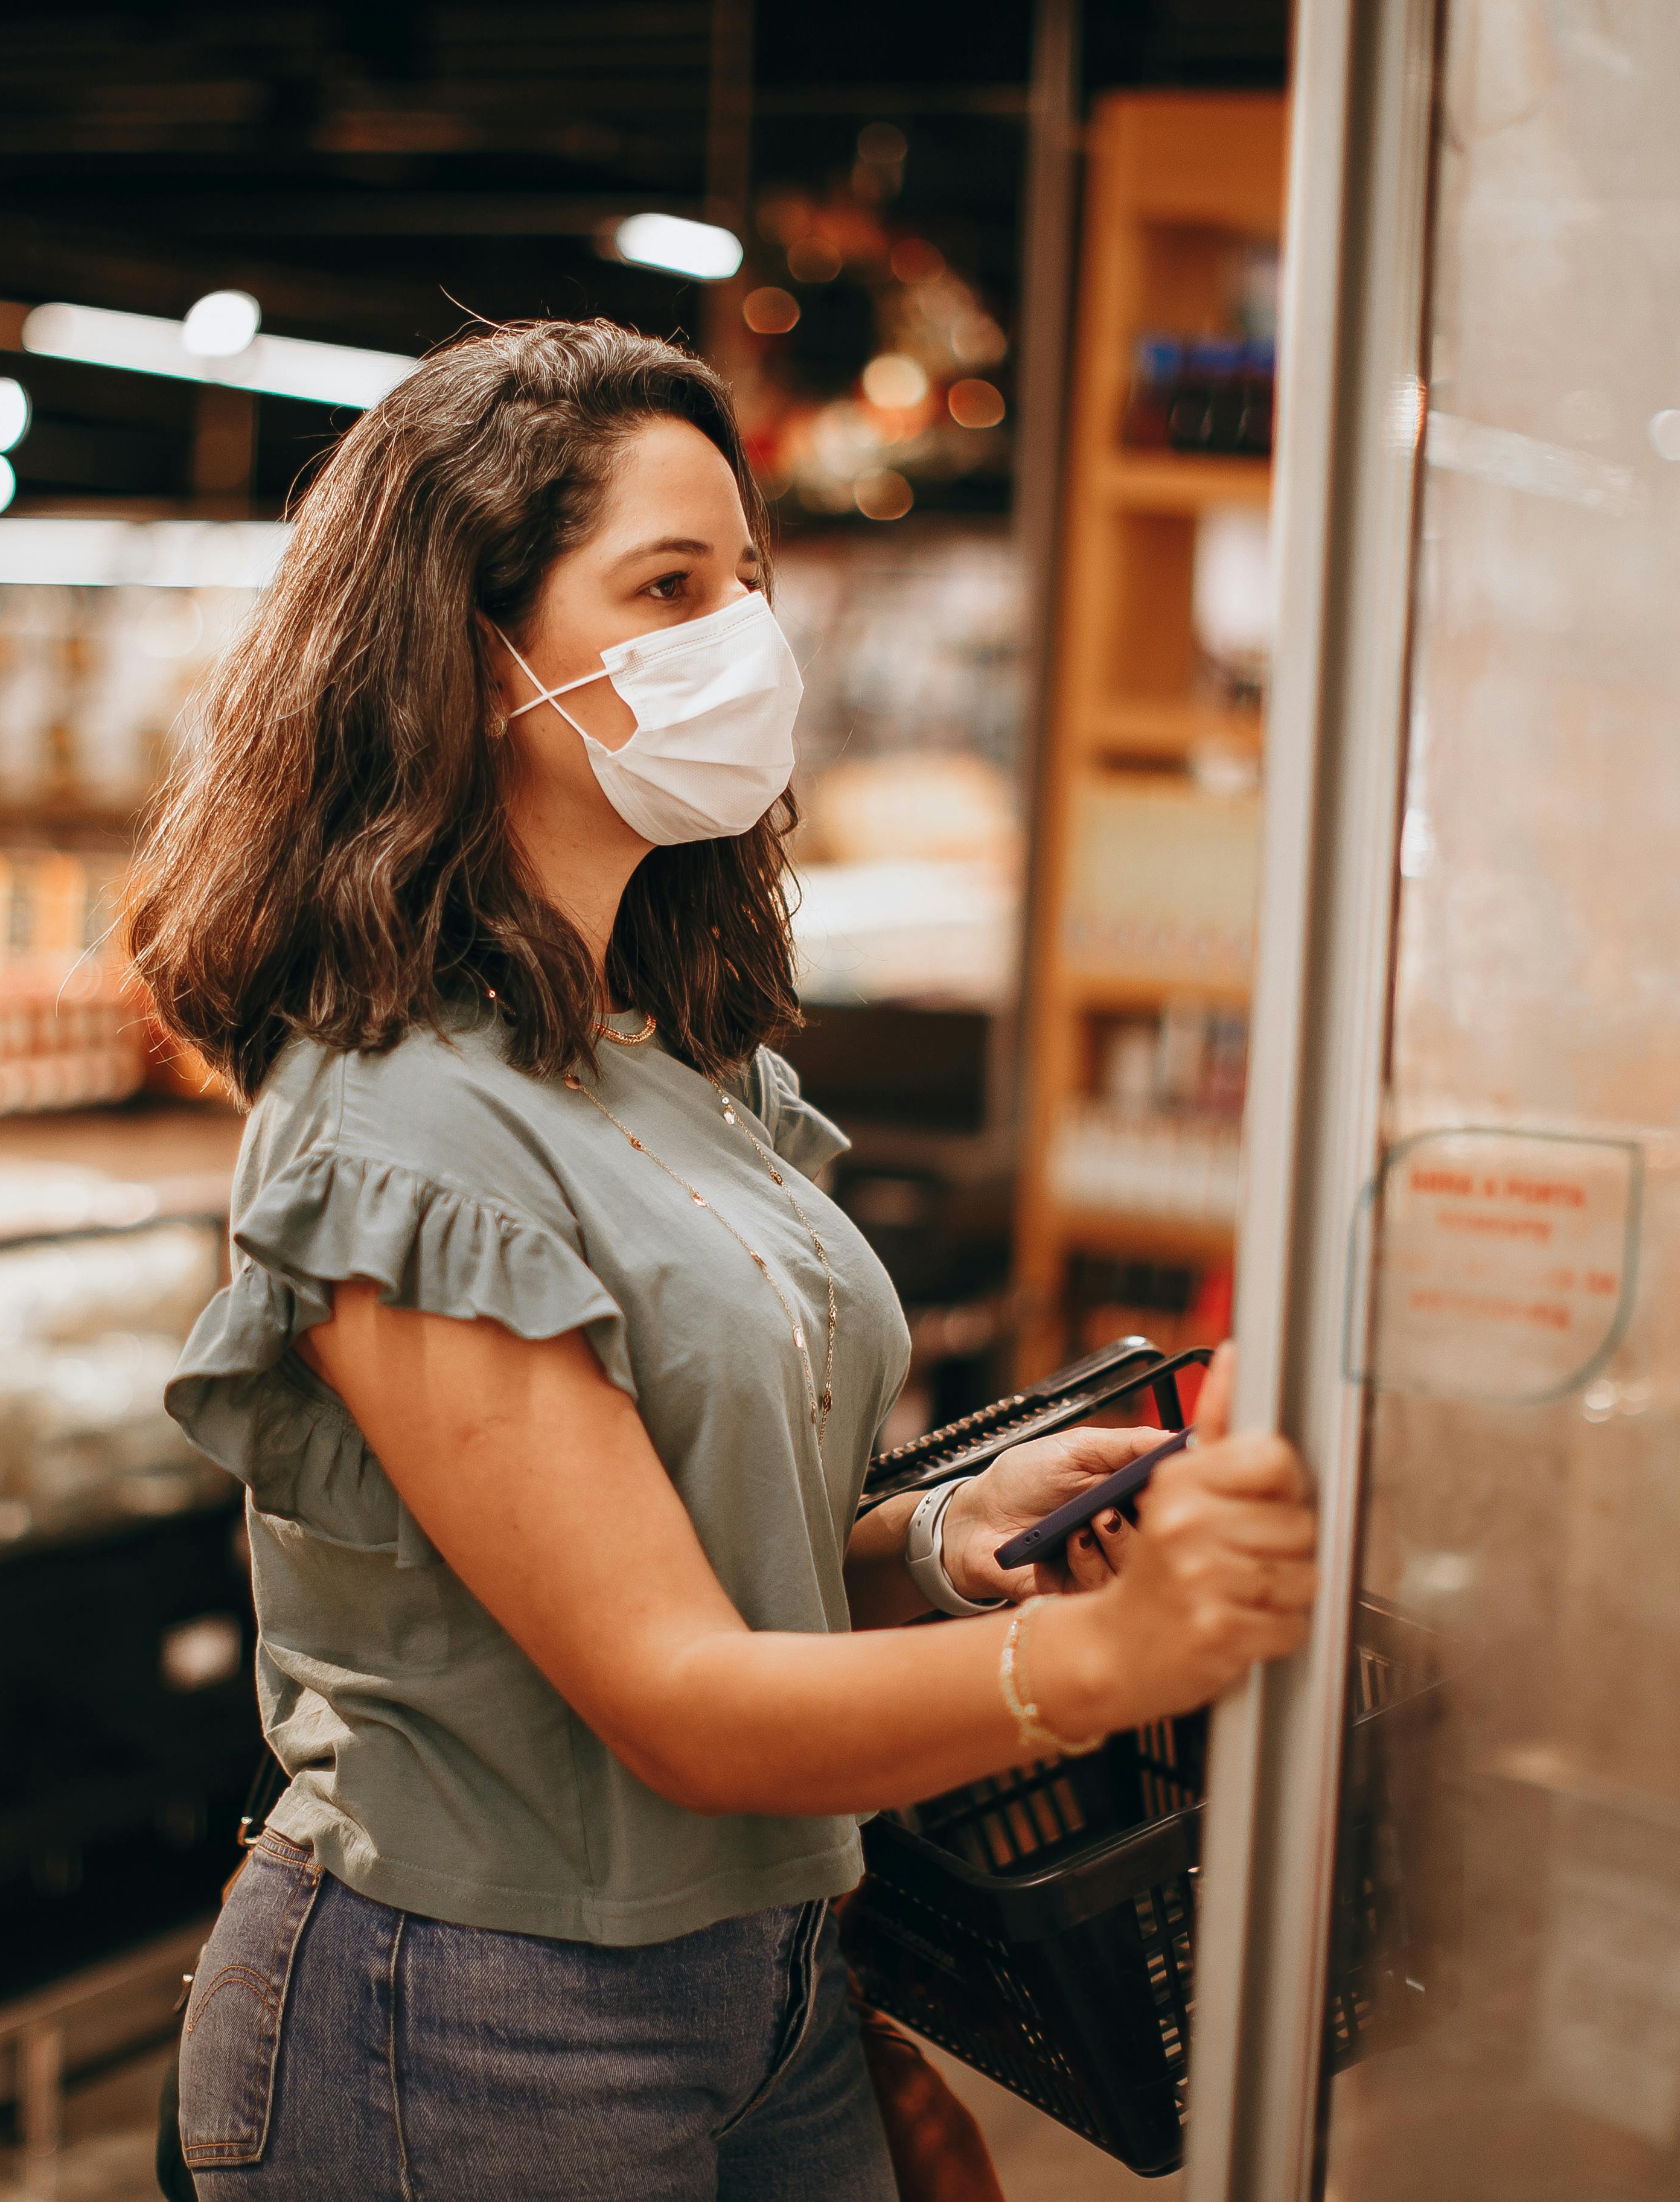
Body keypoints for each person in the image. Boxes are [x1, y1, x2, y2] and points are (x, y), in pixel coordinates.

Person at [128, 319, 1318, 2201]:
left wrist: (948, 1535)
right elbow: (678, 1697)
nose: (741, 640)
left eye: (747, 584)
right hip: (467, 2027)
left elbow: (701, 1546)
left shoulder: (674, 1063)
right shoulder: (398, 1125)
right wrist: (1107, 1658)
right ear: (467, 646)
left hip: (764, 1986)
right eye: (666, 586)